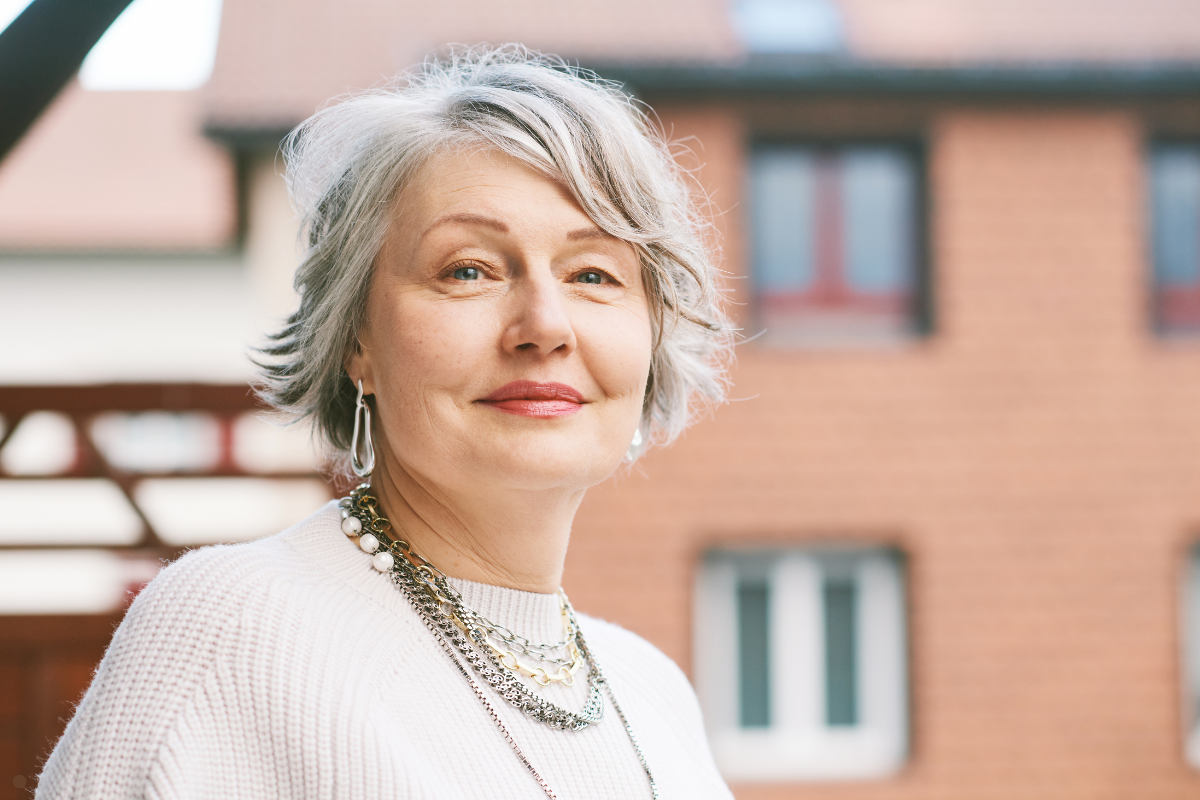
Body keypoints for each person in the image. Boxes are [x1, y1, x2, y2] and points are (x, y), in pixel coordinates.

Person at [38, 45, 734, 799]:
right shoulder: (230, 628)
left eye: (593, 274)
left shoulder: (653, 692)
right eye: (467, 269)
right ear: (357, 340)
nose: (544, 325)